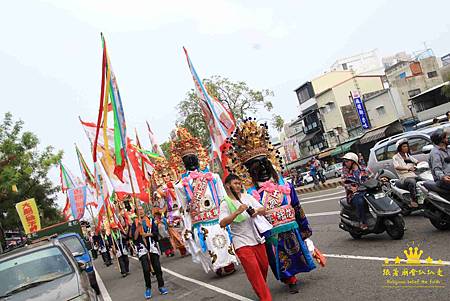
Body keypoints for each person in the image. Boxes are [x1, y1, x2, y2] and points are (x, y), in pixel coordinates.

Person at [225, 119, 317, 294]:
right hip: (270, 232)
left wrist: (304, 227)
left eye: (265, 163)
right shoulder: (250, 192)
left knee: (297, 251)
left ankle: (295, 272)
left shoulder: (285, 184)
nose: (263, 169)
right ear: (249, 170)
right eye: (257, 166)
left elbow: (296, 206)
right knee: (280, 257)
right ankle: (290, 279)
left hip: (291, 226)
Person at [172, 128, 238, 275]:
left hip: (217, 217)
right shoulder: (180, 185)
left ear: (197, 159)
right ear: (183, 163)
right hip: (200, 221)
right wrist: (187, 227)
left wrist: (227, 215)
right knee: (209, 244)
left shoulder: (212, 177)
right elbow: (184, 208)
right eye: (187, 159)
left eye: (192, 157)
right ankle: (218, 266)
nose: (191, 161)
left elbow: (222, 198)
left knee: (224, 240)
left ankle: (229, 263)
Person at [219, 174, 272, 301]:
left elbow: (264, 209)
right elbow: (222, 223)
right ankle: (265, 297)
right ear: (228, 185)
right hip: (241, 243)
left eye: (239, 183)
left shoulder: (247, 197)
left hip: (257, 239)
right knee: (254, 272)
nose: (238, 185)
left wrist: (256, 211)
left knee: (264, 267)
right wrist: (237, 211)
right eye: (235, 183)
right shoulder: (225, 203)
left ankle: (259, 288)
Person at [131, 206, 168, 299]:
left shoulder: (151, 221)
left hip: (152, 247)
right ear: (136, 212)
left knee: (157, 268)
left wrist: (147, 234)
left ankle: (161, 286)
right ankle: (148, 288)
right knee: (146, 269)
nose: (141, 211)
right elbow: (134, 238)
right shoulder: (134, 224)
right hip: (142, 248)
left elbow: (156, 234)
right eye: (138, 210)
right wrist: (138, 227)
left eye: (141, 209)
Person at [341, 152, 371, 230]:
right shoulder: (346, 171)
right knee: (360, 201)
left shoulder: (363, 169)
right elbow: (344, 182)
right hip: (353, 195)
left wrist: (380, 180)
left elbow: (371, 176)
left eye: (347, 161)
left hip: (366, 191)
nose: (346, 163)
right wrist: (351, 188)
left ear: (353, 161)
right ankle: (362, 221)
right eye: (345, 162)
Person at [392, 139, 419, 208]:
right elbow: (397, 166)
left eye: (407, 146)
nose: (406, 148)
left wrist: (420, 164)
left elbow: (416, 161)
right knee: (412, 182)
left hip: (413, 175)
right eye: (404, 146)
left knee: (423, 179)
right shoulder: (395, 157)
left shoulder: (408, 156)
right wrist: (408, 168)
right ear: (399, 148)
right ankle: (413, 199)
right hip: (404, 177)